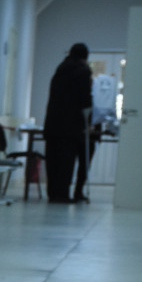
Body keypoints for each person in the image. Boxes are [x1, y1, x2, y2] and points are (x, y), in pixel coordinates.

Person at [43, 43, 93, 204]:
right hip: (71, 126)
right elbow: (85, 99)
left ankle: (53, 194)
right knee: (66, 162)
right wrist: (88, 121)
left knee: (53, 161)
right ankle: (63, 194)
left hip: (52, 124)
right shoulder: (83, 71)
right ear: (85, 57)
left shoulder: (60, 69)